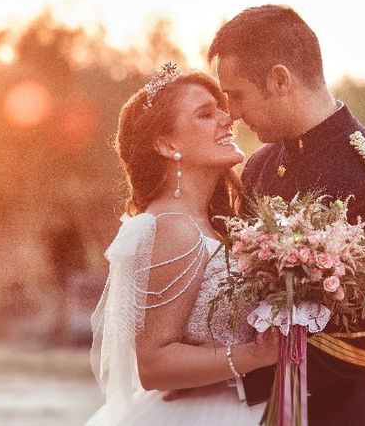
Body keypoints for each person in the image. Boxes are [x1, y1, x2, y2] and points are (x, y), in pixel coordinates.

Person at [209, 5, 365, 425]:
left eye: (236, 95)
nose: (231, 113)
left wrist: (234, 378)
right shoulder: (261, 166)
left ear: (280, 80)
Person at [86, 65, 278, 425]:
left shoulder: (208, 223)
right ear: (167, 144)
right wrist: (257, 354)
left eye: (221, 109)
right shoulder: (174, 228)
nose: (228, 118)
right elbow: (155, 366)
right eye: (206, 114)